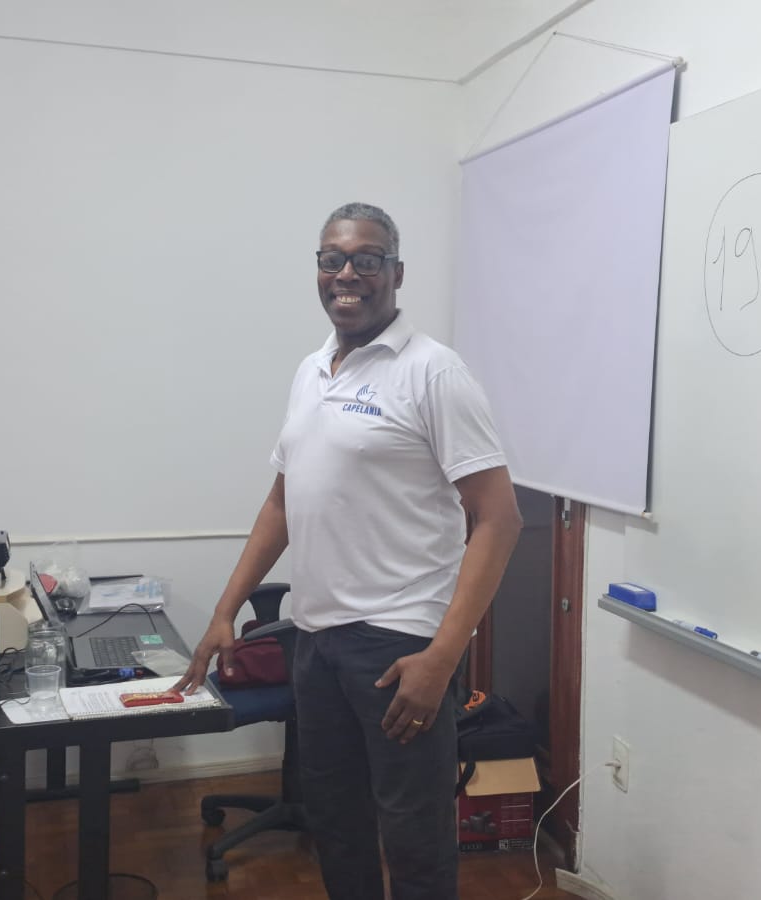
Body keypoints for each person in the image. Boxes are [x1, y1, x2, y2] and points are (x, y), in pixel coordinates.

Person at [174, 202, 522, 900]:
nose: (347, 274)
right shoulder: (313, 369)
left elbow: (499, 519)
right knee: (337, 826)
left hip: (399, 645)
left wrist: (442, 656)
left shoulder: (433, 372)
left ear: (397, 272)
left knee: (415, 838)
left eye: (367, 259)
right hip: (317, 638)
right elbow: (282, 503)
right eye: (332, 259)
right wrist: (225, 610)